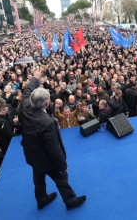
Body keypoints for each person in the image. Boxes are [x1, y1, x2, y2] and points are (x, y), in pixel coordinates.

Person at [19, 71, 86, 210]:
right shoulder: (47, 122)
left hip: (32, 156)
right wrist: (62, 165)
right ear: (47, 102)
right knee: (62, 180)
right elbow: (53, 148)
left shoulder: (24, 107)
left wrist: (36, 78)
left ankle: (42, 200)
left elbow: (27, 91)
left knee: (38, 181)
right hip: (48, 160)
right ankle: (71, 201)